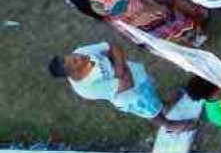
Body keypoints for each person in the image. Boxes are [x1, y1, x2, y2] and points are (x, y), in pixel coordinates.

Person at [48, 41, 179, 126]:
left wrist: (120, 69)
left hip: (137, 75)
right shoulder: (86, 89)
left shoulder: (81, 51)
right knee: (151, 111)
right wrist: (115, 61)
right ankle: (169, 126)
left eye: (72, 55)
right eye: (75, 62)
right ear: (73, 73)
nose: (79, 56)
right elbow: (128, 84)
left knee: (152, 94)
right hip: (132, 97)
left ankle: (165, 106)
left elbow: (113, 45)